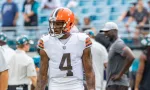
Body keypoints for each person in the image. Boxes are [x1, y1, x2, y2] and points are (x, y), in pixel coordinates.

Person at [35, 7, 95, 90]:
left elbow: (89, 71)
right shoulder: (46, 42)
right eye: (53, 23)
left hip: (76, 86)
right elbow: (42, 75)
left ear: (69, 23)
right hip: (55, 86)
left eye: (58, 24)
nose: (54, 27)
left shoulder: (82, 40)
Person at [100, 22, 135, 90]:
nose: (105, 34)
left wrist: (119, 75)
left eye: (107, 31)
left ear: (114, 31)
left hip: (117, 85)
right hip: (114, 84)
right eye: (104, 32)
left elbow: (131, 57)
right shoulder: (114, 45)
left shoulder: (118, 43)